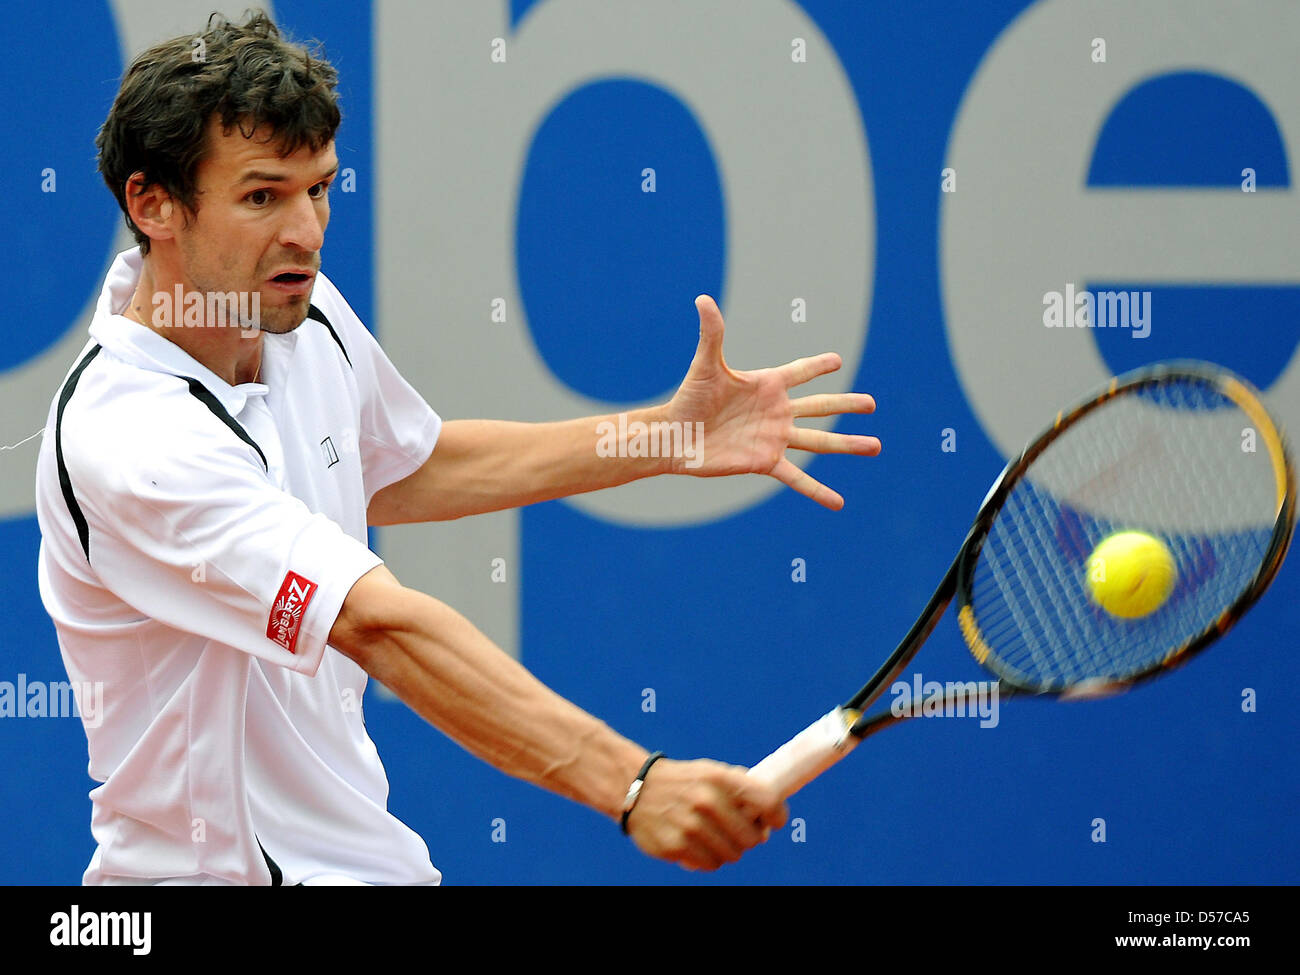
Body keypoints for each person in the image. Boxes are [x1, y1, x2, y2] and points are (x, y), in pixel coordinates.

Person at [35, 10, 879, 885]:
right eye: (262, 196)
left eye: (319, 187)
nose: (308, 231)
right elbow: (377, 622)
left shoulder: (298, 314)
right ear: (153, 204)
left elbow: (412, 465)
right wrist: (632, 783)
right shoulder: (132, 438)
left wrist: (662, 436)